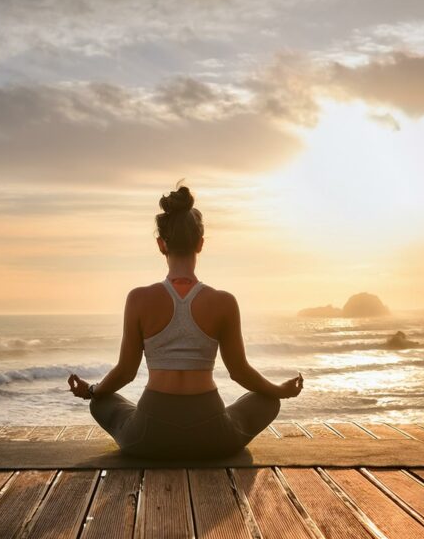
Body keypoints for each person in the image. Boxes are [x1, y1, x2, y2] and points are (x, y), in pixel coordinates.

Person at [67, 183, 303, 459]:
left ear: (160, 245)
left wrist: (92, 390)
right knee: (268, 401)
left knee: (100, 403)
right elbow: (240, 372)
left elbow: (125, 373)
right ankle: (224, 422)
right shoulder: (224, 301)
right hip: (211, 435)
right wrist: (280, 391)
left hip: (150, 436)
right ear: (200, 244)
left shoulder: (138, 299)